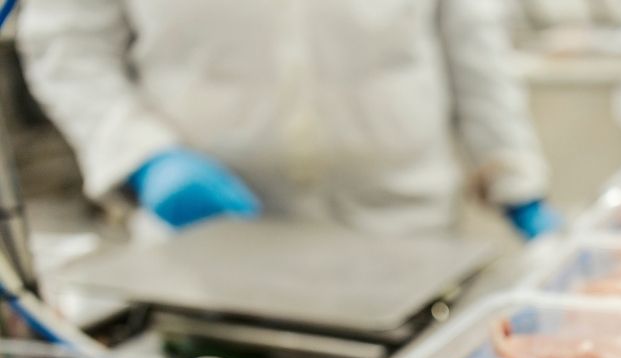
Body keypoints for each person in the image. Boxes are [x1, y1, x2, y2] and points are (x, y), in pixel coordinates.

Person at [17, 1, 560, 239]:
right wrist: (142, 155)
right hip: (210, 246)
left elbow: (472, 43)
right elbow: (68, 45)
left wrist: (514, 177)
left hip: (403, 237)